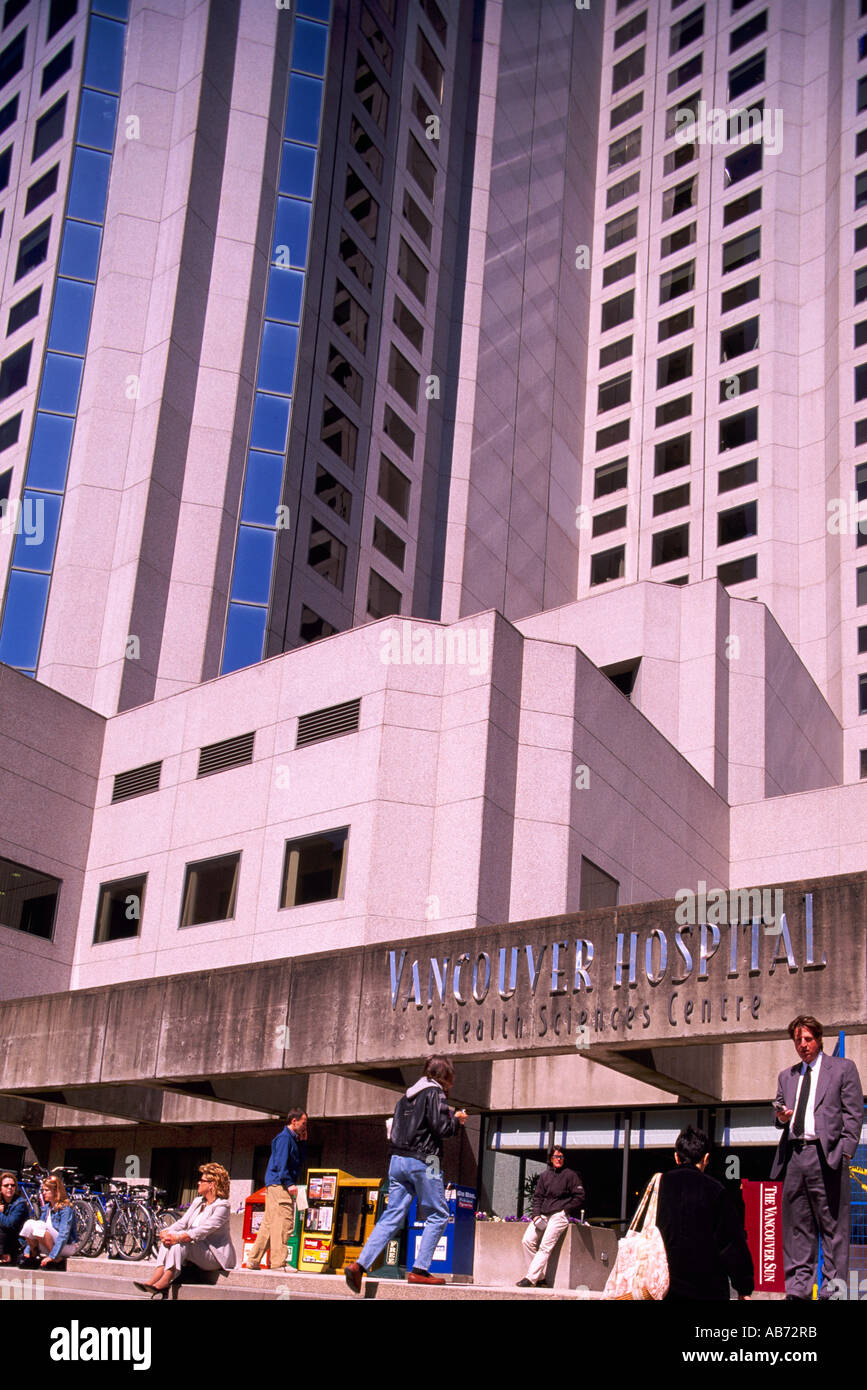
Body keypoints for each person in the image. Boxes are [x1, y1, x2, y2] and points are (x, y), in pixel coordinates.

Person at [343, 1055, 467, 1293]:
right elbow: (442, 1128)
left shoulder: (404, 1099)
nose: (450, 1086)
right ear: (443, 1078)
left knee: (392, 1215)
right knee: (438, 1213)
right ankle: (420, 1270)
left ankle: (359, 1265)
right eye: (450, 1081)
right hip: (427, 1159)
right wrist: (457, 1120)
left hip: (397, 1160)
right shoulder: (436, 1092)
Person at [771, 1014, 863, 1300]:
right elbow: (779, 1114)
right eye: (798, 1040)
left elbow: (854, 1114)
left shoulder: (842, 1069)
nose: (803, 1045)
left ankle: (832, 1292)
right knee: (797, 1228)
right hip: (795, 1156)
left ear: (818, 1039)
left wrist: (845, 1152)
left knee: (833, 1229)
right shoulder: (786, 1076)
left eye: (808, 1039)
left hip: (828, 1157)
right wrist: (780, 1116)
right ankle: (798, 1290)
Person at [656, 1125, 754, 1301]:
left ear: (676, 1157)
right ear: (706, 1158)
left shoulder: (658, 1186)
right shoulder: (716, 1190)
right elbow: (732, 1243)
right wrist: (743, 1286)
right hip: (708, 1288)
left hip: (663, 1287)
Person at [134, 1163, 236, 1296]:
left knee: (180, 1239)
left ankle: (166, 1279)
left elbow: (203, 1230)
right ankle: (157, 1276)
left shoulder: (222, 1206)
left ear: (212, 1184)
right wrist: (167, 1232)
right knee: (172, 1237)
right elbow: (183, 1223)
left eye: (202, 1180)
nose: (198, 1183)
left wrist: (178, 1237)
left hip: (214, 1255)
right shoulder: (198, 1201)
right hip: (196, 1248)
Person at [246, 1108, 308, 1271]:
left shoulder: (292, 1139)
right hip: (280, 1185)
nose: (305, 1126)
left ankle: (253, 1259)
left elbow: (300, 1160)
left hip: (276, 1184)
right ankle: (278, 1262)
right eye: (303, 1123)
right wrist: (289, 1183)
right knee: (283, 1222)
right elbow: (281, 1163)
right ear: (294, 1121)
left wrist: (303, 1142)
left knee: (269, 1223)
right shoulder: (284, 1139)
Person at [517, 1145, 585, 1288]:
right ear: (551, 1159)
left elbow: (579, 1196)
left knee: (545, 1247)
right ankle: (540, 1278)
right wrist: (535, 1215)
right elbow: (537, 1197)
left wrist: (565, 1209)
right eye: (555, 1156)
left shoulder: (570, 1175)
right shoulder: (544, 1176)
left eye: (561, 1157)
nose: (558, 1159)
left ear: (564, 1159)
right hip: (542, 1215)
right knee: (527, 1241)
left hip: (559, 1216)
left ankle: (530, 1279)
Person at [19, 1175, 79, 1268]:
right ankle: (33, 1255)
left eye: (46, 1190)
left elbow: (64, 1235)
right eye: (43, 1190)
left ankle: (56, 1259)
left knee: (39, 1224)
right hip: (50, 1243)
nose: (43, 1193)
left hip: (66, 1246)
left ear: (56, 1191)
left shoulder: (66, 1209)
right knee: (29, 1223)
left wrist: (52, 1255)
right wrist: (27, 1251)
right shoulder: (46, 1208)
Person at [0, 1173, 29, 1264]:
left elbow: (9, 1224)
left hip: (16, 1241)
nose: (10, 1187)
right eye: (6, 1185)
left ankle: (4, 1256)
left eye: (12, 1185)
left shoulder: (20, 1203)